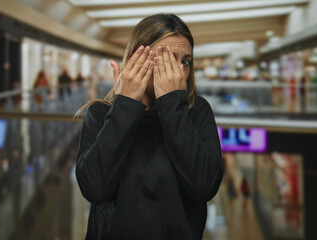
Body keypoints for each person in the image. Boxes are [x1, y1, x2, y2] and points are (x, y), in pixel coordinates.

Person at [75, 13, 223, 240]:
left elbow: (204, 186)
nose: (178, 72)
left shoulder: (197, 113)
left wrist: (173, 104)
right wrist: (124, 106)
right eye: (165, 59)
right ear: (136, 60)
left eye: (185, 62)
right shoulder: (102, 114)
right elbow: (94, 188)